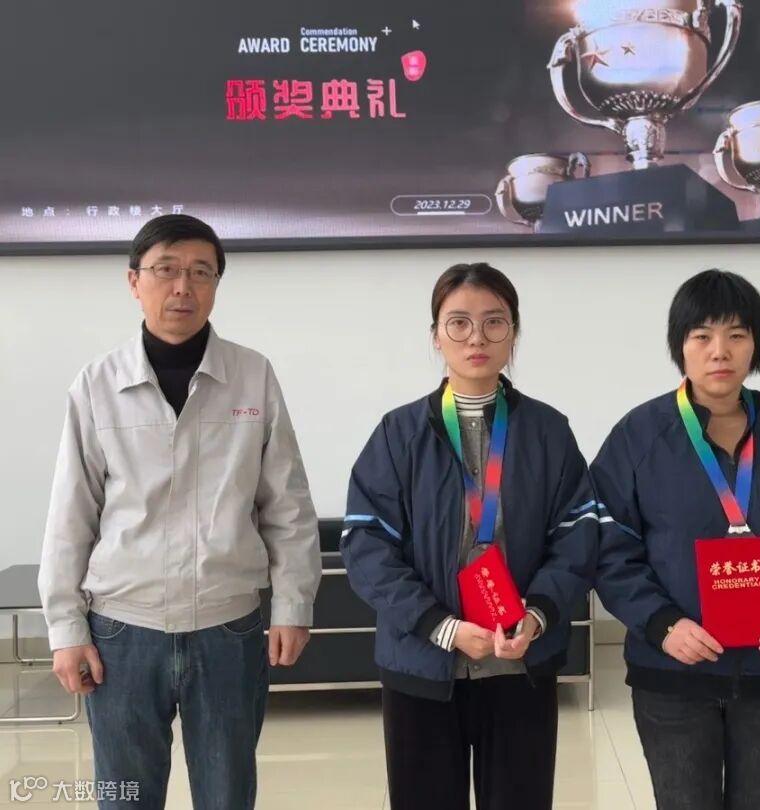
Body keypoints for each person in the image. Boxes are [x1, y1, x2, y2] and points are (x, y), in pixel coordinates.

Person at [38, 214, 322, 810]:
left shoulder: (252, 375)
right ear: (134, 281)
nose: (182, 287)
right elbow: (71, 515)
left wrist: (294, 605)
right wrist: (65, 629)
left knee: (227, 794)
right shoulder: (97, 384)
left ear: (217, 284)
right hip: (121, 630)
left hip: (228, 626)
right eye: (165, 270)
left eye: (200, 272)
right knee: (126, 797)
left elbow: (287, 504)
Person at [591, 269, 760, 810]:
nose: (720, 351)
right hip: (673, 672)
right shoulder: (638, 436)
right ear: (680, 345)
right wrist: (662, 624)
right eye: (702, 336)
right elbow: (607, 545)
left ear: (756, 344)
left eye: (737, 334)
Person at [340, 262, 598, 810]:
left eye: (493, 322)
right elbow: (366, 545)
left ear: (514, 333)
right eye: (458, 323)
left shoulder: (548, 431)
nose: (476, 338)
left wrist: (536, 616)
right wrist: (442, 626)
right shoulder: (398, 434)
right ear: (436, 335)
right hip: (421, 665)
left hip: (521, 662)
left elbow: (577, 536)